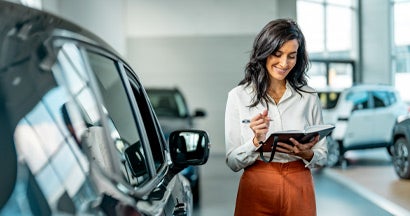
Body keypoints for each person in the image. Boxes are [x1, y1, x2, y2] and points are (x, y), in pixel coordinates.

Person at [224, 18, 327, 216]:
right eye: (277, 54)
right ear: (264, 52)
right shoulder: (239, 96)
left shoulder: (309, 96)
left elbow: (323, 156)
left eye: (291, 56)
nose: (284, 63)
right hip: (256, 184)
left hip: (299, 183)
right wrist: (255, 141)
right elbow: (233, 162)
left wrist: (307, 154)